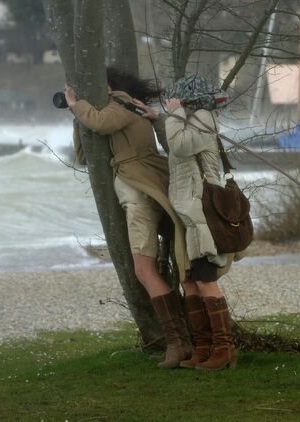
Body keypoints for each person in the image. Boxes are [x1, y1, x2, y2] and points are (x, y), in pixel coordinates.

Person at [64, 67, 192, 369]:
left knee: (144, 269)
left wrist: (77, 106)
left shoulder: (121, 102)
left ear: (107, 87)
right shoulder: (120, 108)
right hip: (141, 187)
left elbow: (101, 122)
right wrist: (76, 116)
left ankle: (178, 342)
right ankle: (183, 339)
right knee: (150, 267)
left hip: (139, 191)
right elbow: (84, 156)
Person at [139, 74, 238, 371]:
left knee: (205, 281)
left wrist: (175, 114)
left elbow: (181, 146)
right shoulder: (191, 119)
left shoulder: (203, 117)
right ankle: (204, 348)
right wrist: (161, 119)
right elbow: (176, 146)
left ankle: (224, 350)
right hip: (188, 212)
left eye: (178, 100)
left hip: (200, 213)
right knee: (190, 281)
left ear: (188, 101)